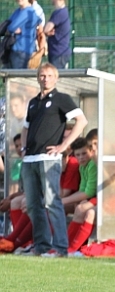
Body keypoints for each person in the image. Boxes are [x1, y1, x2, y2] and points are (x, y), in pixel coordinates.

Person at [18, 63, 87, 257]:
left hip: (49, 158)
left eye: (49, 75)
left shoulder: (61, 99)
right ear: (37, 78)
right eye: (42, 75)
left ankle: (61, 247)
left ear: (56, 78)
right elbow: (25, 128)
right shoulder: (33, 102)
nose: (45, 79)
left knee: (51, 201)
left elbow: (81, 121)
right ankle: (41, 246)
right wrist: (23, 149)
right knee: (33, 204)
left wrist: (63, 146)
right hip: (30, 159)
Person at [61, 137, 98, 253]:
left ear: (91, 151)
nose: (81, 157)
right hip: (94, 198)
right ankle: (67, 246)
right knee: (79, 206)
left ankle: (72, 248)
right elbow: (82, 189)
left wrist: (63, 200)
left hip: (102, 197)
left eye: (84, 153)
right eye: (78, 155)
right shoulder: (82, 167)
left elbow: (89, 192)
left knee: (81, 208)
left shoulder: (92, 165)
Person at [4, 0, 41, 69]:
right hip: (14, 48)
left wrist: (11, 29)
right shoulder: (18, 11)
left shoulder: (28, 12)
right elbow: (8, 25)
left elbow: (11, 27)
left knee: (19, 74)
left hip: (23, 50)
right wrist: (11, 29)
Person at [44, 0, 71, 69]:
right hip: (58, 52)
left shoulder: (59, 13)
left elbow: (46, 29)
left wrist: (46, 31)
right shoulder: (63, 12)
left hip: (58, 52)